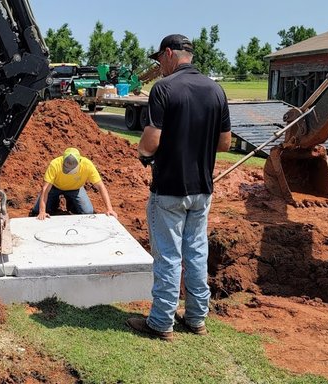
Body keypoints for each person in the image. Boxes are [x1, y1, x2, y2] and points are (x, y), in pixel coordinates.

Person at [126, 34, 232, 341]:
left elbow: (150, 141)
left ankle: (161, 323)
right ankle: (197, 318)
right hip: (202, 189)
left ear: (170, 53)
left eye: (160, 60)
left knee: (169, 256)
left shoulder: (164, 88)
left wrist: (143, 155)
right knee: (196, 253)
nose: (159, 67)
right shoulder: (215, 89)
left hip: (170, 189)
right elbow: (225, 143)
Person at [32, 147, 117, 220]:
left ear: (79, 162)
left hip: (76, 189)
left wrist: (109, 209)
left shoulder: (87, 165)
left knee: (88, 212)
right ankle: (54, 202)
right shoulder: (55, 164)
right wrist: (42, 211)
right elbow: (45, 189)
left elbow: (100, 186)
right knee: (36, 211)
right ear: (63, 161)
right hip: (54, 188)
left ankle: (71, 202)